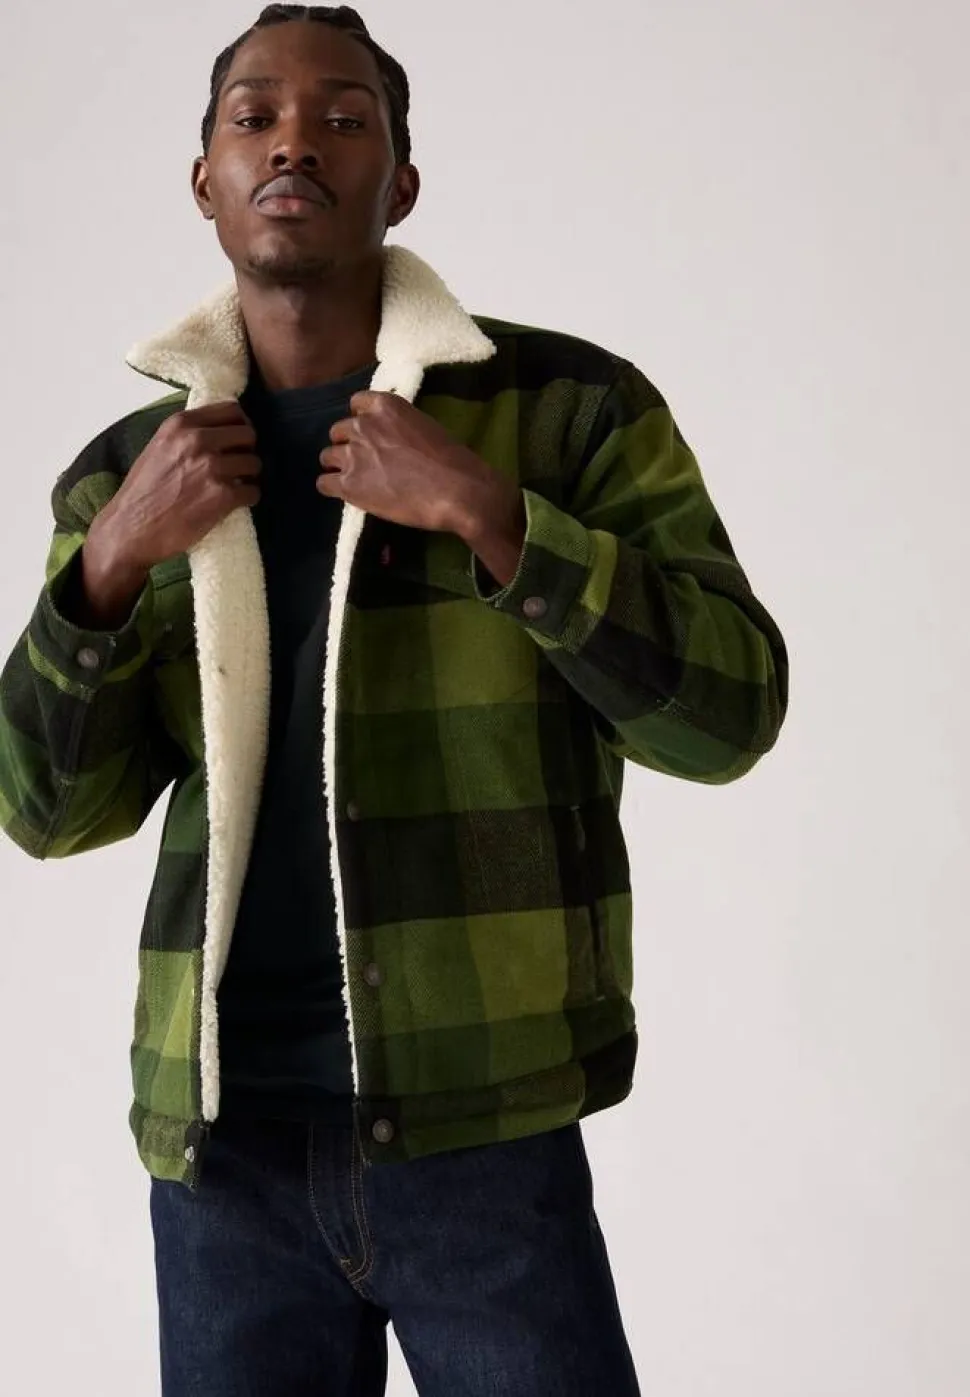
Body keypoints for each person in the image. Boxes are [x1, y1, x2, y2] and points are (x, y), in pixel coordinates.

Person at [0, 5, 789, 1394]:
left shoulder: (567, 412)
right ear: (205, 182)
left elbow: (730, 716)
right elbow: (46, 813)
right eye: (253, 117)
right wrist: (108, 565)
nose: (293, 142)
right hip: (224, 1150)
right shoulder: (131, 472)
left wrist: (496, 517)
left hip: (481, 1123)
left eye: (343, 118)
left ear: (401, 182)